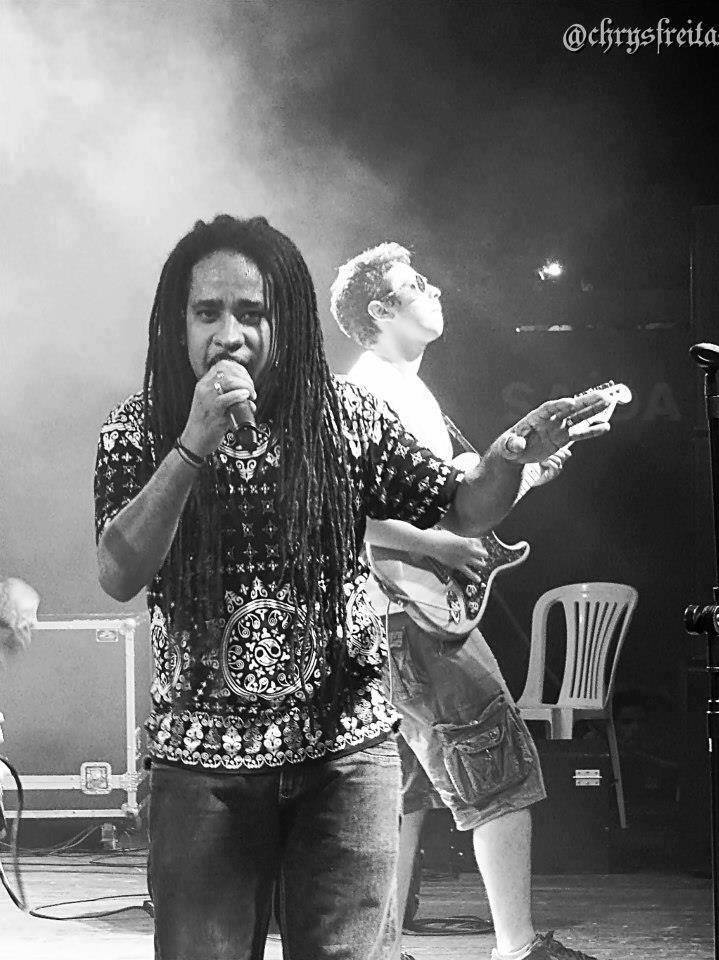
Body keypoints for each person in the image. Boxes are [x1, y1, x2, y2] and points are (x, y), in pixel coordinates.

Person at [94, 215, 609, 960]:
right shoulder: (137, 430)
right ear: (178, 324)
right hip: (201, 766)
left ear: (286, 321)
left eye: (252, 313)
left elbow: (459, 508)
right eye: (208, 313)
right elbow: (118, 573)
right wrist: (193, 443)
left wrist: (506, 457)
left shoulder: (346, 416)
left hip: (342, 759)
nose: (230, 335)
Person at [331, 241, 603, 960]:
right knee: (497, 762)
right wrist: (437, 548)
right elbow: (337, 511)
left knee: (399, 791)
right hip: (405, 611)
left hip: (398, 613)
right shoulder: (366, 392)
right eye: (414, 284)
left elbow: (461, 506)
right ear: (380, 310)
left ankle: (379, 947)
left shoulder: (411, 392)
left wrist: (525, 469)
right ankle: (516, 947)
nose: (434, 290)